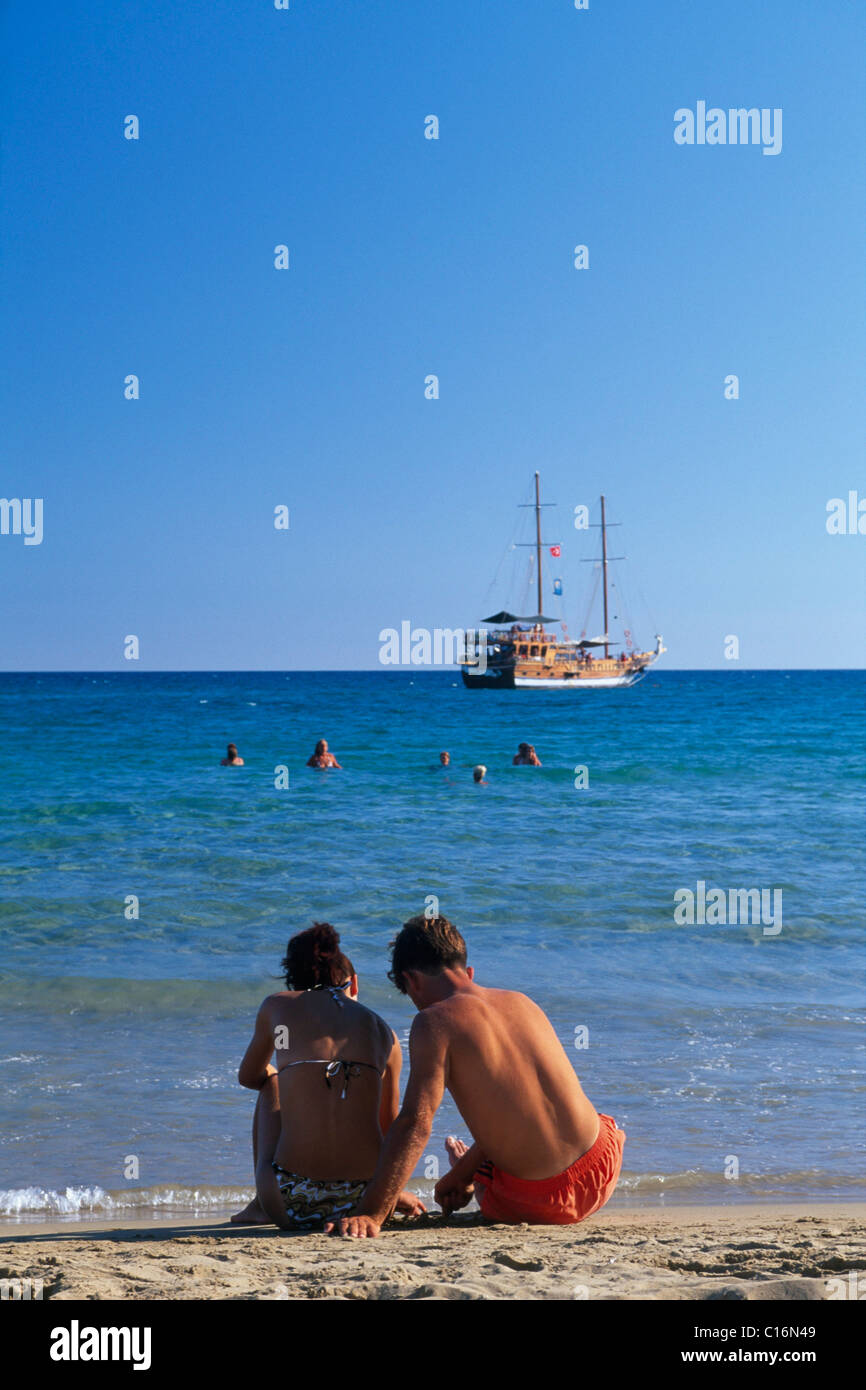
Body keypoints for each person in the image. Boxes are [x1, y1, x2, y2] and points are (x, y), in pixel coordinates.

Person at [326, 915, 624, 1237]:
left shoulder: (433, 1022)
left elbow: (416, 1121)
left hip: (543, 1203)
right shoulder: (521, 1002)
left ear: (411, 981)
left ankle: (479, 1175)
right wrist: (465, 1171)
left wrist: (372, 1212)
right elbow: (528, 1107)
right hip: (602, 1166)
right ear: (468, 972)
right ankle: (471, 1167)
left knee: (490, 1187)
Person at [234, 922, 425, 1229]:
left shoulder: (278, 1006)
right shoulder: (384, 1034)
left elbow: (248, 1077)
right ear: (355, 983)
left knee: (272, 1081)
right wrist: (393, 1193)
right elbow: (389, 1133)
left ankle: (259, 1205)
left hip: (288, 1202)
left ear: (294, 983)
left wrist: (287, 1073)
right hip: (367, 1201)